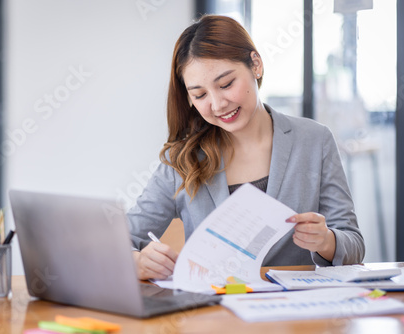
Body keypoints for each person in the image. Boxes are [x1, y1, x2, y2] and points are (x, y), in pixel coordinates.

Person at [128, 15, 365, 280]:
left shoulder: (315, 140)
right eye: (200, 95)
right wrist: (136, 261)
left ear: (256, 65)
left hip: (293, 314)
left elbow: (354, 246)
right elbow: (122, 240)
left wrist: (326, 240)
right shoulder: (182, 160)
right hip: (215, 312)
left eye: (226, 84)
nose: (217, 105)